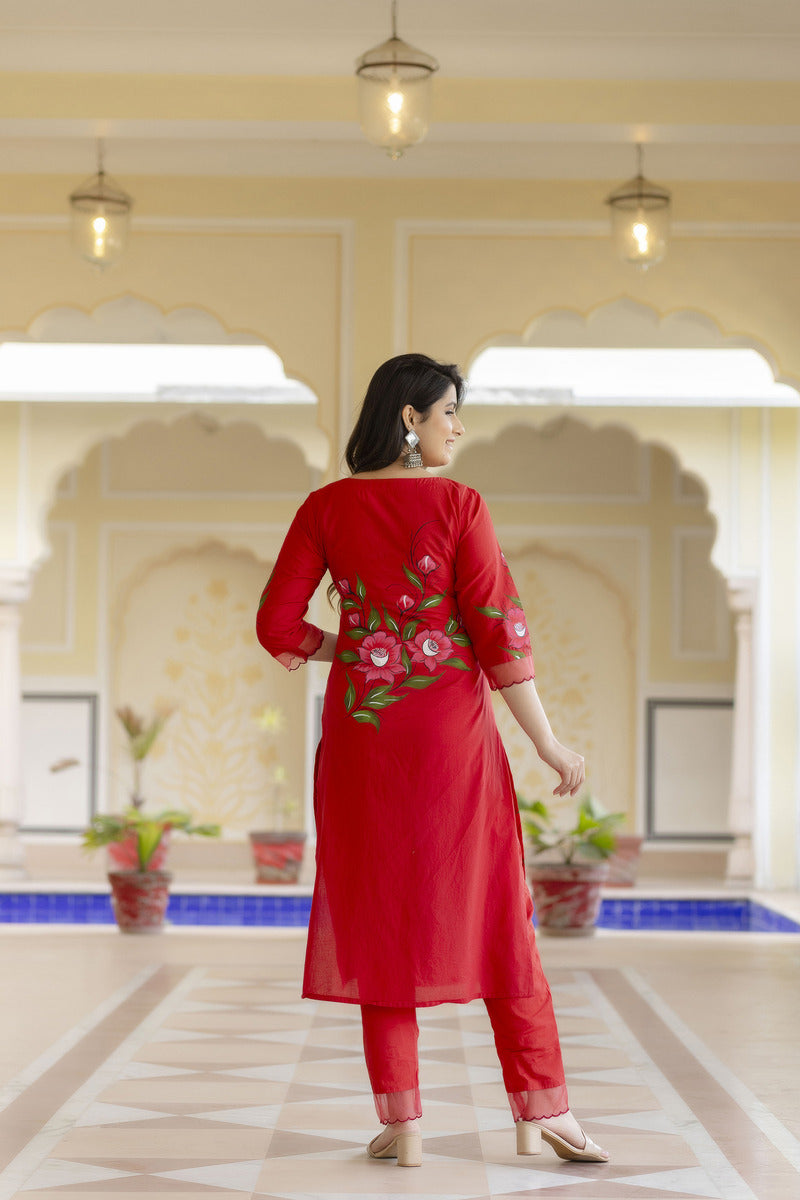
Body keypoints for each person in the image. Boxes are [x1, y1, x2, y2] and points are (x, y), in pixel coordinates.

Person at [256, 353, 609, 1168]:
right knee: (497, 916)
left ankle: (404, 1124)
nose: (458, 426)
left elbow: (278, 625)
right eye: (449, 410)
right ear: (409, 418)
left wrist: (358, 651)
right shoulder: (460, 505)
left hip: (363, 741)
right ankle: (545, 1107)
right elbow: (500, 637)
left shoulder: (325, 508)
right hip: (452, 740)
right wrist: (547, 741)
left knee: (379, 918)